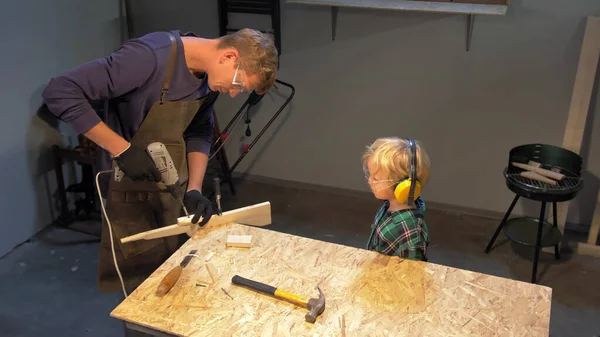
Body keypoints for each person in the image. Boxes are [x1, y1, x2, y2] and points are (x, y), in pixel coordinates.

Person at [42, 28, 279, 293]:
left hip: (173, 189)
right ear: (229, 56)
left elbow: (199, 129)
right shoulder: (148, 58)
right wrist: (121, 149)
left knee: (179, 273)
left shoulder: (208, 77)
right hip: (130, 189)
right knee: (141, 288)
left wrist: (195, 190)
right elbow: (60, 91)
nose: (233, 93)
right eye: (238, 84)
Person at [362, 137, 431, 261]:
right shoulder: (388, 205)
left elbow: (412, 271)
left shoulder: (410, 231)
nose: (369, 180)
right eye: (369, 175)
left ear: (404, 185)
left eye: (376, 179)